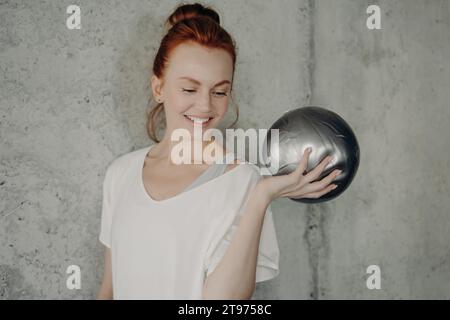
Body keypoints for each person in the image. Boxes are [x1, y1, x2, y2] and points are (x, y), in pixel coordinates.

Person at [96, 2, 340, 300]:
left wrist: (261, 197)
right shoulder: (120, 174)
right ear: (158, 88)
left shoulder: (243, 181)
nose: (205, 106)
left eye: (219, 91)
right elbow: (108, 290)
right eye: (189, 89)